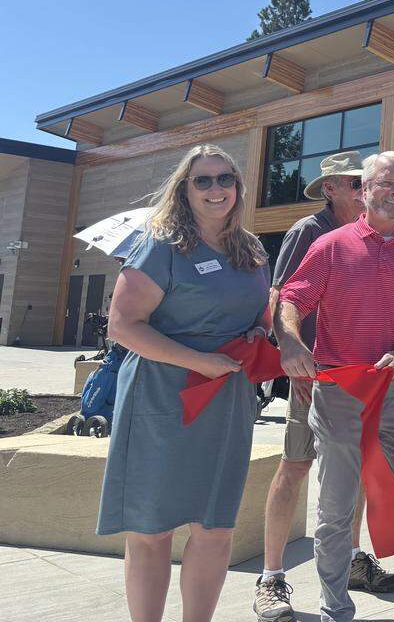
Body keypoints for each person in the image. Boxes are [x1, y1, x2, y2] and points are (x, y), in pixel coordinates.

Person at [277, 149, 394, 622]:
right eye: (386, 184)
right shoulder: (332, 245)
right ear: (366, 189)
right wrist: (291, 343)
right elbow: (292, 298)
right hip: (341, 394)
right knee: (335, 508)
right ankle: (335, 607)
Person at [97, 145, 271, 622]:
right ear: (185, 189)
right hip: (161, 395)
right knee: (151, 527)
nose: (216, 189)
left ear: (237, 186)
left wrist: (258, 330)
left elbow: (259, 312)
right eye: (203, 180)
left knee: (215, 525)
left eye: (225, 179)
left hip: (226, 397)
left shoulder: (252, 249)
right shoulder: (161, 245)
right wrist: (198, 359)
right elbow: (124, 326)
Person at [254, 151, 394, 622]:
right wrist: (293, 357)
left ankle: (354, 558)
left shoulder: (375, 233)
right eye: (353, 180)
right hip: (313, 377)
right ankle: (272, 578)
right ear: (331, 188)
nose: (363, 186)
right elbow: (281, 299)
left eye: (365, 179)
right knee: (296, 465)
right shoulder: (308, 231)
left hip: (362, 378)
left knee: (356, 469)